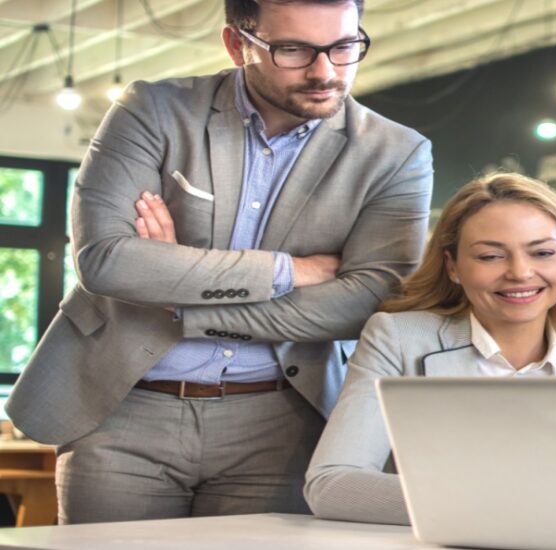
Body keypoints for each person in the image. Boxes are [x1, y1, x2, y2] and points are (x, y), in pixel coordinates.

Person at [5, 0, 433, 523]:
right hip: (124, 406)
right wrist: (289, 271)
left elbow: (367, 301)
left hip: (278, 420)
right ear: (237, 45)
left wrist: (177, 294)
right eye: (293, 49)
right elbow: (106, 261)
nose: (326, 71)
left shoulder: (396, 152)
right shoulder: (153, 109)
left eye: (345, 47)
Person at [304, 173, 556, 525]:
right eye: (491, 256)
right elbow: (332, 485)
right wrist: (496, 507)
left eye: (542, 252)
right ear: (453, 267)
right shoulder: (399, 338)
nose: (520, 273)